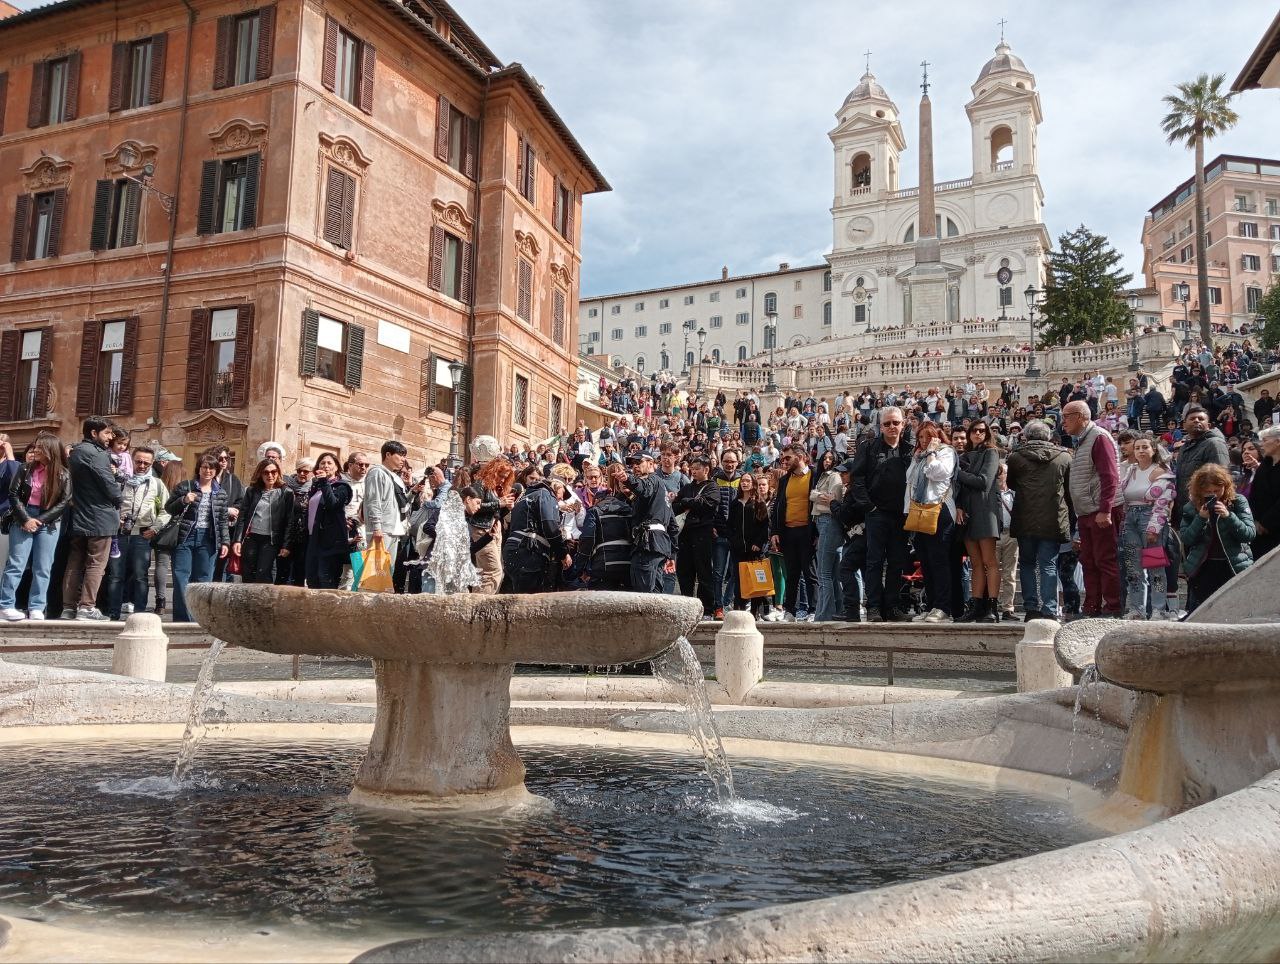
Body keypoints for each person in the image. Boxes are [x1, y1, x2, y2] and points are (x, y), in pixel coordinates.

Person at [849, 407, 913, 622]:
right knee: (874, 561)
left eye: (896, 423)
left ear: (903, 424)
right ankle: (874, 606)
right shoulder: (868, 448)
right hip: (876, 513)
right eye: (887, 424)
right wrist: (869, 507)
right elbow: (857, 479)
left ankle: (892, 606)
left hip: (901, 515)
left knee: (897, 562)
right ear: (880, 426)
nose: (892, 427)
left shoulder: (910, 450)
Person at [1060, 401, 1123, 618]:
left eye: (1066, 417)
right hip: (1087, 512)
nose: (1063, 422)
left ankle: (1112, 607)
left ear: (1079, 416)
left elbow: (1110, 476)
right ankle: (1092, 606)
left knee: (1105, 559)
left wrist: (1105, 509)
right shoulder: (1083, 440)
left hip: (1100, 510)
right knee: (1089, 560)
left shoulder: (1099, 437)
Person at [0, 435, 70, 622]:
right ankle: (6, 605)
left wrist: (39, 520)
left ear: (50, 450)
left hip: (48, 520)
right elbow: (13, 495)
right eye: (35, 447)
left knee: (43, 566)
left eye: (40, 448)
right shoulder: (24, 469)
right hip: (24, 516)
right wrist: (26, 519)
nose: (35, 451)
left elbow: (64, 502)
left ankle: (37, 606)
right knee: (16, 564)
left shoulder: (63, 473)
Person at [61, 418, 123, 621]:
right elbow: (109, 485)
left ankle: (68, 608)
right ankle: (87, 607)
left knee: (75, 562)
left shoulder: (76, 452)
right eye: (107, 433)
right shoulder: (96, 455)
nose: (111, 437)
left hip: (79, 515)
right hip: (100, 517)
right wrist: (119, 493)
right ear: (94, 433)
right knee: (96, 563)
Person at [1179, 463, 1255, 612]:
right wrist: (1200, 519)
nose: (1214, 494)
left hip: (1233, 565)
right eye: (1208, 491)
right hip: (1204, 567)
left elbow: (1249, 534)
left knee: (1234, 610)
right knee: (1202, 611)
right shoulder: (1191, 507)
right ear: (1200, 491)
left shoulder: (1237, 502)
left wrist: (1228, 516)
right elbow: (1187, 539)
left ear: (1225, 486)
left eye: (1217, 490)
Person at [104, 446, 169, 618]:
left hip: (142, 535)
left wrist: (155, 529)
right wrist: (115, 519)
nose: (141, 466)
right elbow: (108, 505)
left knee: (140, 576)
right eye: (138, 461)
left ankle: (139, 615)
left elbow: (166, 510)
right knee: (116, 575)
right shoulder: (120, 481)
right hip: (120, 535)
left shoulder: (157, 484)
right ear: (131, 460)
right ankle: (113, 613)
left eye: (146, 463)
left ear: (152, 463)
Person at [165, 454, 231, 622]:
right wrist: (183, 500)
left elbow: (222, 520)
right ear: (198, 469)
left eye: (211, 468)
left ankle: (198, 619)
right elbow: (169, 508)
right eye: (204, 467)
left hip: (208, 539)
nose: (207, 471)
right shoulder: (185, 486)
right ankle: (182, 619)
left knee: (203, 580)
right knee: (181, 577)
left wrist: (225, 542)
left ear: (216, 471)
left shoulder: (220, 493)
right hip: (185, 536)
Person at [1118, 434, 1176, 620]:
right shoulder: (1130, 471)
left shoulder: (1160, 471)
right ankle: (1137, 608)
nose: (1141, 451)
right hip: (1131, 519)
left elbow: (1163, 502)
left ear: (1153, 450)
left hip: (1150, 517)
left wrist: (1154, 527)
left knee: (1155, 567)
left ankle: (1158, 608)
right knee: (1133, 568)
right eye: (1137, 448)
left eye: (1145, 447)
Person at [904, 421, 957, 623]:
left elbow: (938, 473)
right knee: (925, 562)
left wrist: (932, 453)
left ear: (937, 436)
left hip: (938, 511)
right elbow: (909, 481)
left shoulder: (946, 451)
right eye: (920, 437)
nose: (924, 441)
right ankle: (931, 604)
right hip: (919, 511)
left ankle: (943, 607)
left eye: (928, 437)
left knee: (939, 561)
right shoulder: (918, 456)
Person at [955, 418, 1003, 623]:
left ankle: (992, 607)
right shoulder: (964, 456)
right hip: (968, 512)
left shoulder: (991, 452)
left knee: (989, 561)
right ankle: (977, 606)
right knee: (975, 563)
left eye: (982, 430)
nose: (977, 434)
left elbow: (984, 481)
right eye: (974, 430)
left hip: (985, 511)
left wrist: (957, 473)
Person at [769, 445, 818, 623]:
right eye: (783, 458)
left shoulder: (815, 475)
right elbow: (777, 508)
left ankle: (813, 609)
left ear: (800, 456)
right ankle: (790, 610)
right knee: (791, 573)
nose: (784, 461)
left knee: (810, 573)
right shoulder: (784, 480)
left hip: (808, 531)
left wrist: (818, 533)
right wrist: (774, 531)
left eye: (788, 458)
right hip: (788, 532)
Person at [616, 451, 677, 593]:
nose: (635, 466)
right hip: (660, 545)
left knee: (644, 593)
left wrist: (627, 479)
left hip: (648, 544)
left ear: (651, 464)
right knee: (655, 592)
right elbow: (673, 526)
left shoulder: (652, 480)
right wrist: (672, 555)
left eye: (639, 462)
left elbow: (644, 488)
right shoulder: (662, 491)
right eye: (632, 464)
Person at [502, 464, 568, 593]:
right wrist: (563, 554)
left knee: (515, 596)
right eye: (563, 493)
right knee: (529, 599)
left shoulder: (526, 496)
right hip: (528, 551)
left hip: (513, 548)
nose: (561, 498)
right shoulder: (546, 495)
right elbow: (550, 527)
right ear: (557, 487)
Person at [673, 455, 721, 619]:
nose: (693, 472)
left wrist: (687, 502)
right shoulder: (687, 487)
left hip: (703, 534)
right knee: (684, 572)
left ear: (706, 469)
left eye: (697, 469)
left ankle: (707, 609)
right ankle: (687, 607)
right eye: (692, 469)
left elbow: (708, 505)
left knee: (704, 572)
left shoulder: (712, 487)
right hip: (686, 535)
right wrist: (690, 501)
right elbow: (676, 506)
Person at [231, 458, 293, 584]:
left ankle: (263, 603)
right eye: (266, 472)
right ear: (260, 474)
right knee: (248, 572)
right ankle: (248, 602)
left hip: (270, 540)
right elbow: (243, 516)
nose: (270, 475)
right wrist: (237, 540)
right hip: (251, 537)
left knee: (263, 572)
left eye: (273, 472)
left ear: (278, 473)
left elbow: (289, 521)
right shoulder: (252, 491)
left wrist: (286, 545)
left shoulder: (286, 492)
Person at [303, 452, 353, 589]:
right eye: (322, 463)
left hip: (331, 543)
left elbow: (333, 504)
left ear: (336, 467)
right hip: (314, 540)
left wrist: (325, 482)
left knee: (326, 581)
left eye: (329, 463)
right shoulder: (316, 486)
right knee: (312, 580)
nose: (325, 466)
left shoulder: (342, 487)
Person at [363, 441, 410, 577]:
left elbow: (397, 502)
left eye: (404, 456)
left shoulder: (392, 476)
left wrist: (413, 493)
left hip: (393, 530)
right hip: (382, 530)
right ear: (388, 455)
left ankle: (382, 597)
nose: (403, 459)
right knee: (375, 572)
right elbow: (374, 501)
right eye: (400, 455)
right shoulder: (377, 473)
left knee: (386, 572)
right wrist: (377, 527)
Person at [728, 471, 772, 617]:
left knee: (754, 580)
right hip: (738, 548)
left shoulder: (758, 503)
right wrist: (732, 539)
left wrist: (758, 543)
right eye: (743, 481)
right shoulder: (735, 503)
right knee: (739, 579)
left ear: (753, 483)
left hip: (754, 549)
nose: (744, 483)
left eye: (747, 481)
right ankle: (739, 609)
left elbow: (764, 526)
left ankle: (754, 611)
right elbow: (730, 525)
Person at [1247, 425, 1280, 560]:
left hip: (1275, 531)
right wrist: (1253, 520)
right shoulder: (1265, 464)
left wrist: (1265, 523)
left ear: (1278, 441)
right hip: (1258, 529)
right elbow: (1254, 493)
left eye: (1265, 440)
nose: (1261, 445)